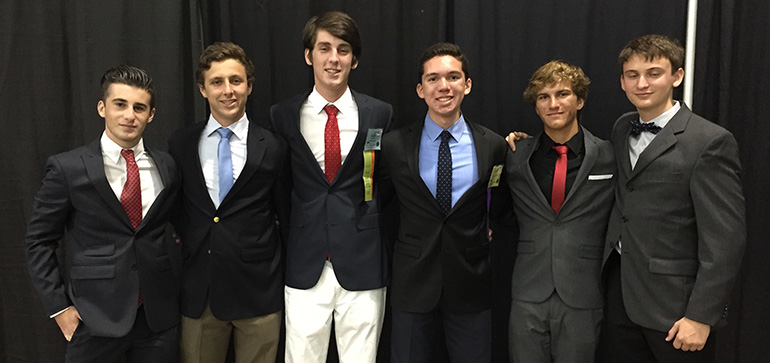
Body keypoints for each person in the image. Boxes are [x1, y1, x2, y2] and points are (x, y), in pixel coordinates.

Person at [599, 34, 746, 362]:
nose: (642, 83)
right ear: (622, 82)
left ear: (676, 76)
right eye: (632, 75)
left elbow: (725, 240)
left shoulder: (710, 141)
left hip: (675, 310)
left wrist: (701, 316)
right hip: (620, 293)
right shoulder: (623, 127)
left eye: (654, 73)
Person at [25, 65, 180, 362]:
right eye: (120, 104)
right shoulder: (67, 168)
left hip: (157, 320)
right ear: (102, 107)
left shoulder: (167, 166)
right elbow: (38, 241)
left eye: (139, 107)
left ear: (151, 114)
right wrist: (59, 309)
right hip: (93, 320)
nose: (129, 115)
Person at [269, 11, 392, 363]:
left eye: (343, 49)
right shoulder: (283, 115)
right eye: (324, 48)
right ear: (309, 56)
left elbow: (382, 180)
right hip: (305, 262)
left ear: (354, 60)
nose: (333, 58)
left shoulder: (379, 114)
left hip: (363, 260)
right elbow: (281, 185)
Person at [380, 42, 509, 363]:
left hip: (471, 283)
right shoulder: (394, 146)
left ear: (467, 85)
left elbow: (500, 205)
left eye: (453, 77)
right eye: (434, 79)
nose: (444, 86)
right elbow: (378, 204)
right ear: (420, 89)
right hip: (412, 283)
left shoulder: (493, 145)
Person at [167, 42, 288, 363]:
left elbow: (284, 214)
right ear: (202, 89)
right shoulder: (180, 143)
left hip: (258, 291)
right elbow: (176, 207)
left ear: (249, 85)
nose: (227, 91)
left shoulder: (273, 146)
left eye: (236, 81)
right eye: (217, 82)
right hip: (200, 290)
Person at [505, 60, 615, 362]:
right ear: (536, 105)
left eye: (562, 94)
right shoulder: (515, 156)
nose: (553, 104)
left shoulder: (609, 156)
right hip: (528, 289)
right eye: (544, 97)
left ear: (579, 100)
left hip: (583, 290)